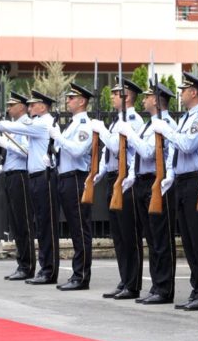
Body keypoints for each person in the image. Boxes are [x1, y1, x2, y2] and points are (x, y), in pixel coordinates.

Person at [152, 72, 198, 311]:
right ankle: (196, 288)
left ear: (193, 92)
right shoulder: (188, 118)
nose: (180, 93)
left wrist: (166, 131)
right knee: (188, 241)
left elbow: (188, 145)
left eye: (184, 89)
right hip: (182, 180)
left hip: (195, 180)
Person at [0, 90, 60, 285]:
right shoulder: (36, 123)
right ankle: (38, 268)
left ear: (43, 106)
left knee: (40, 225)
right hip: (32, 176)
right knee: (30, 225)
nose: (29, 108)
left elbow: (23, 147)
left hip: (39, 177)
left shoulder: (41, 123)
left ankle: (45, 269)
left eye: (32, 104)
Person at [119, 81, 177, 304]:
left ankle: (164, 288)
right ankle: (156, 285)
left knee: (162, 239)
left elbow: (147, 151)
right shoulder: (150, 124)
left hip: (158, 181)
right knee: (152, 239)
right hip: (144, 182)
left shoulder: (164, 123)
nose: (143, 99)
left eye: (147, 96)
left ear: (156, 100)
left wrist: (129, 135)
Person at [91, 78, 144, 300]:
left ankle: (133, 284)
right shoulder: (117, 121)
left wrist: (101, 129)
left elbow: (114, 145)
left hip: (127, 179)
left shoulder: (133, 120)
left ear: (127, 96)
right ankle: (124, 280)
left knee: (130, 235)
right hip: (113, 178)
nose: (111, 96)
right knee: (119, 236)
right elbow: (109, 153)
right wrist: (98, 173)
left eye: (116, 93)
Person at [50, 83, 94, 291]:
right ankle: (77, 274)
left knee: (79, 228)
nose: (67, 101)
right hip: (65, 178)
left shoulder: (84, 124)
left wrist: (58, 137)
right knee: (74, 228)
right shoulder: (71, 124)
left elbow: (77, 151)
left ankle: (81, 276)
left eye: (71, 98)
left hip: (77, 179)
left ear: (82, 101)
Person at [0, 92, 36, 281]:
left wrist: (6, 143)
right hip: (11, 176)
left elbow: (27, 152)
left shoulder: (25, 125)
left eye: (12, 105)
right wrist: (0, 168)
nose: (8, 108)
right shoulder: (15, 126)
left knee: (23, 223)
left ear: (22, 107)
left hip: (21, 176)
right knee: (16, 224)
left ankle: (28, 266)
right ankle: (22, 263)